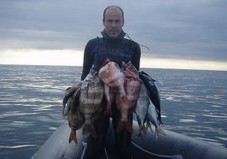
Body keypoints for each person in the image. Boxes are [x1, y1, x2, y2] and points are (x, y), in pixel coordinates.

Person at [81, 5, 141, 159]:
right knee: (95, 148)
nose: (113, 25)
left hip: (123, 105)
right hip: (97, 102)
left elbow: (135, 79)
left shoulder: (133, 47)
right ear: (103, 22)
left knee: (123, 148)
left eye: (117, 21)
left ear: (123, 22)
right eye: (110, 21)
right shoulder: (92, 45)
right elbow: (84, 77)